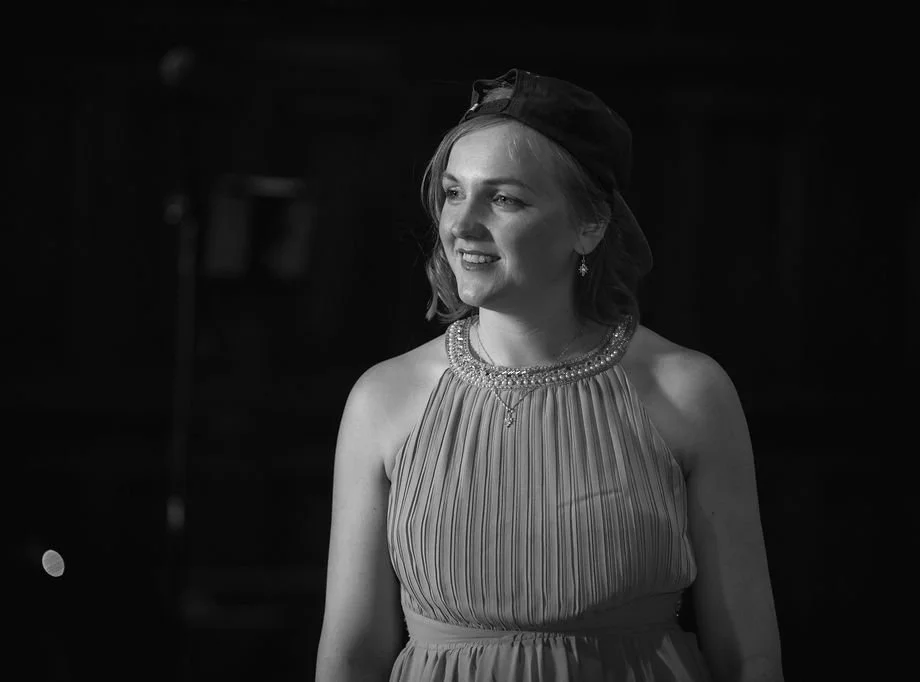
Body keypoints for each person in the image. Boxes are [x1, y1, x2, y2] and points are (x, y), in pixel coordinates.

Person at [315, 68, 784, 682]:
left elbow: (749, 658)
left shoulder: (689, 392)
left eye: (504, 199)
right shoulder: (383, 398)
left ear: (589, 226)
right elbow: (350, 656)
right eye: (453, 193)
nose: (461, 224)